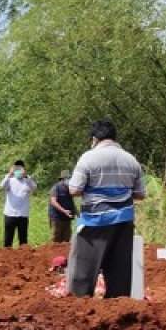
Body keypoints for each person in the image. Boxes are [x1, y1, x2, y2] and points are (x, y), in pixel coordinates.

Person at [67, 120, 145, 298]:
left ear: (94, 139)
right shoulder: (130, 159)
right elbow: (140, 194)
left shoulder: (88, 158)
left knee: (83, 274)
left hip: (94, 222)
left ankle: (79, 309)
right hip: (124, 222)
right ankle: (118, 311)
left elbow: (74, 190)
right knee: (119, 273)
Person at [0, 159, 36, 247]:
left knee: (23, 240)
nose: (19, 171)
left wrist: (26, 176)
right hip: (10, 214)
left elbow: (34, 187)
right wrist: (9, 174)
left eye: (21, 168)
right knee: (8, 239)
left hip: (23, 215)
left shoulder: (27, 181)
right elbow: (2, 186)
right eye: (17, 168)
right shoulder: (10, 180)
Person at [48, 170, 77, 243]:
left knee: (67, 238)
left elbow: (71, 201)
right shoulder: (56, 187)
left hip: (67, 217)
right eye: (68, 178)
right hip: (57, 217)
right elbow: (53, 201)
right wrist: (64, 210)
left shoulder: (70, 188)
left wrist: (76, 211)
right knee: (56, 237)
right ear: (63, 179)